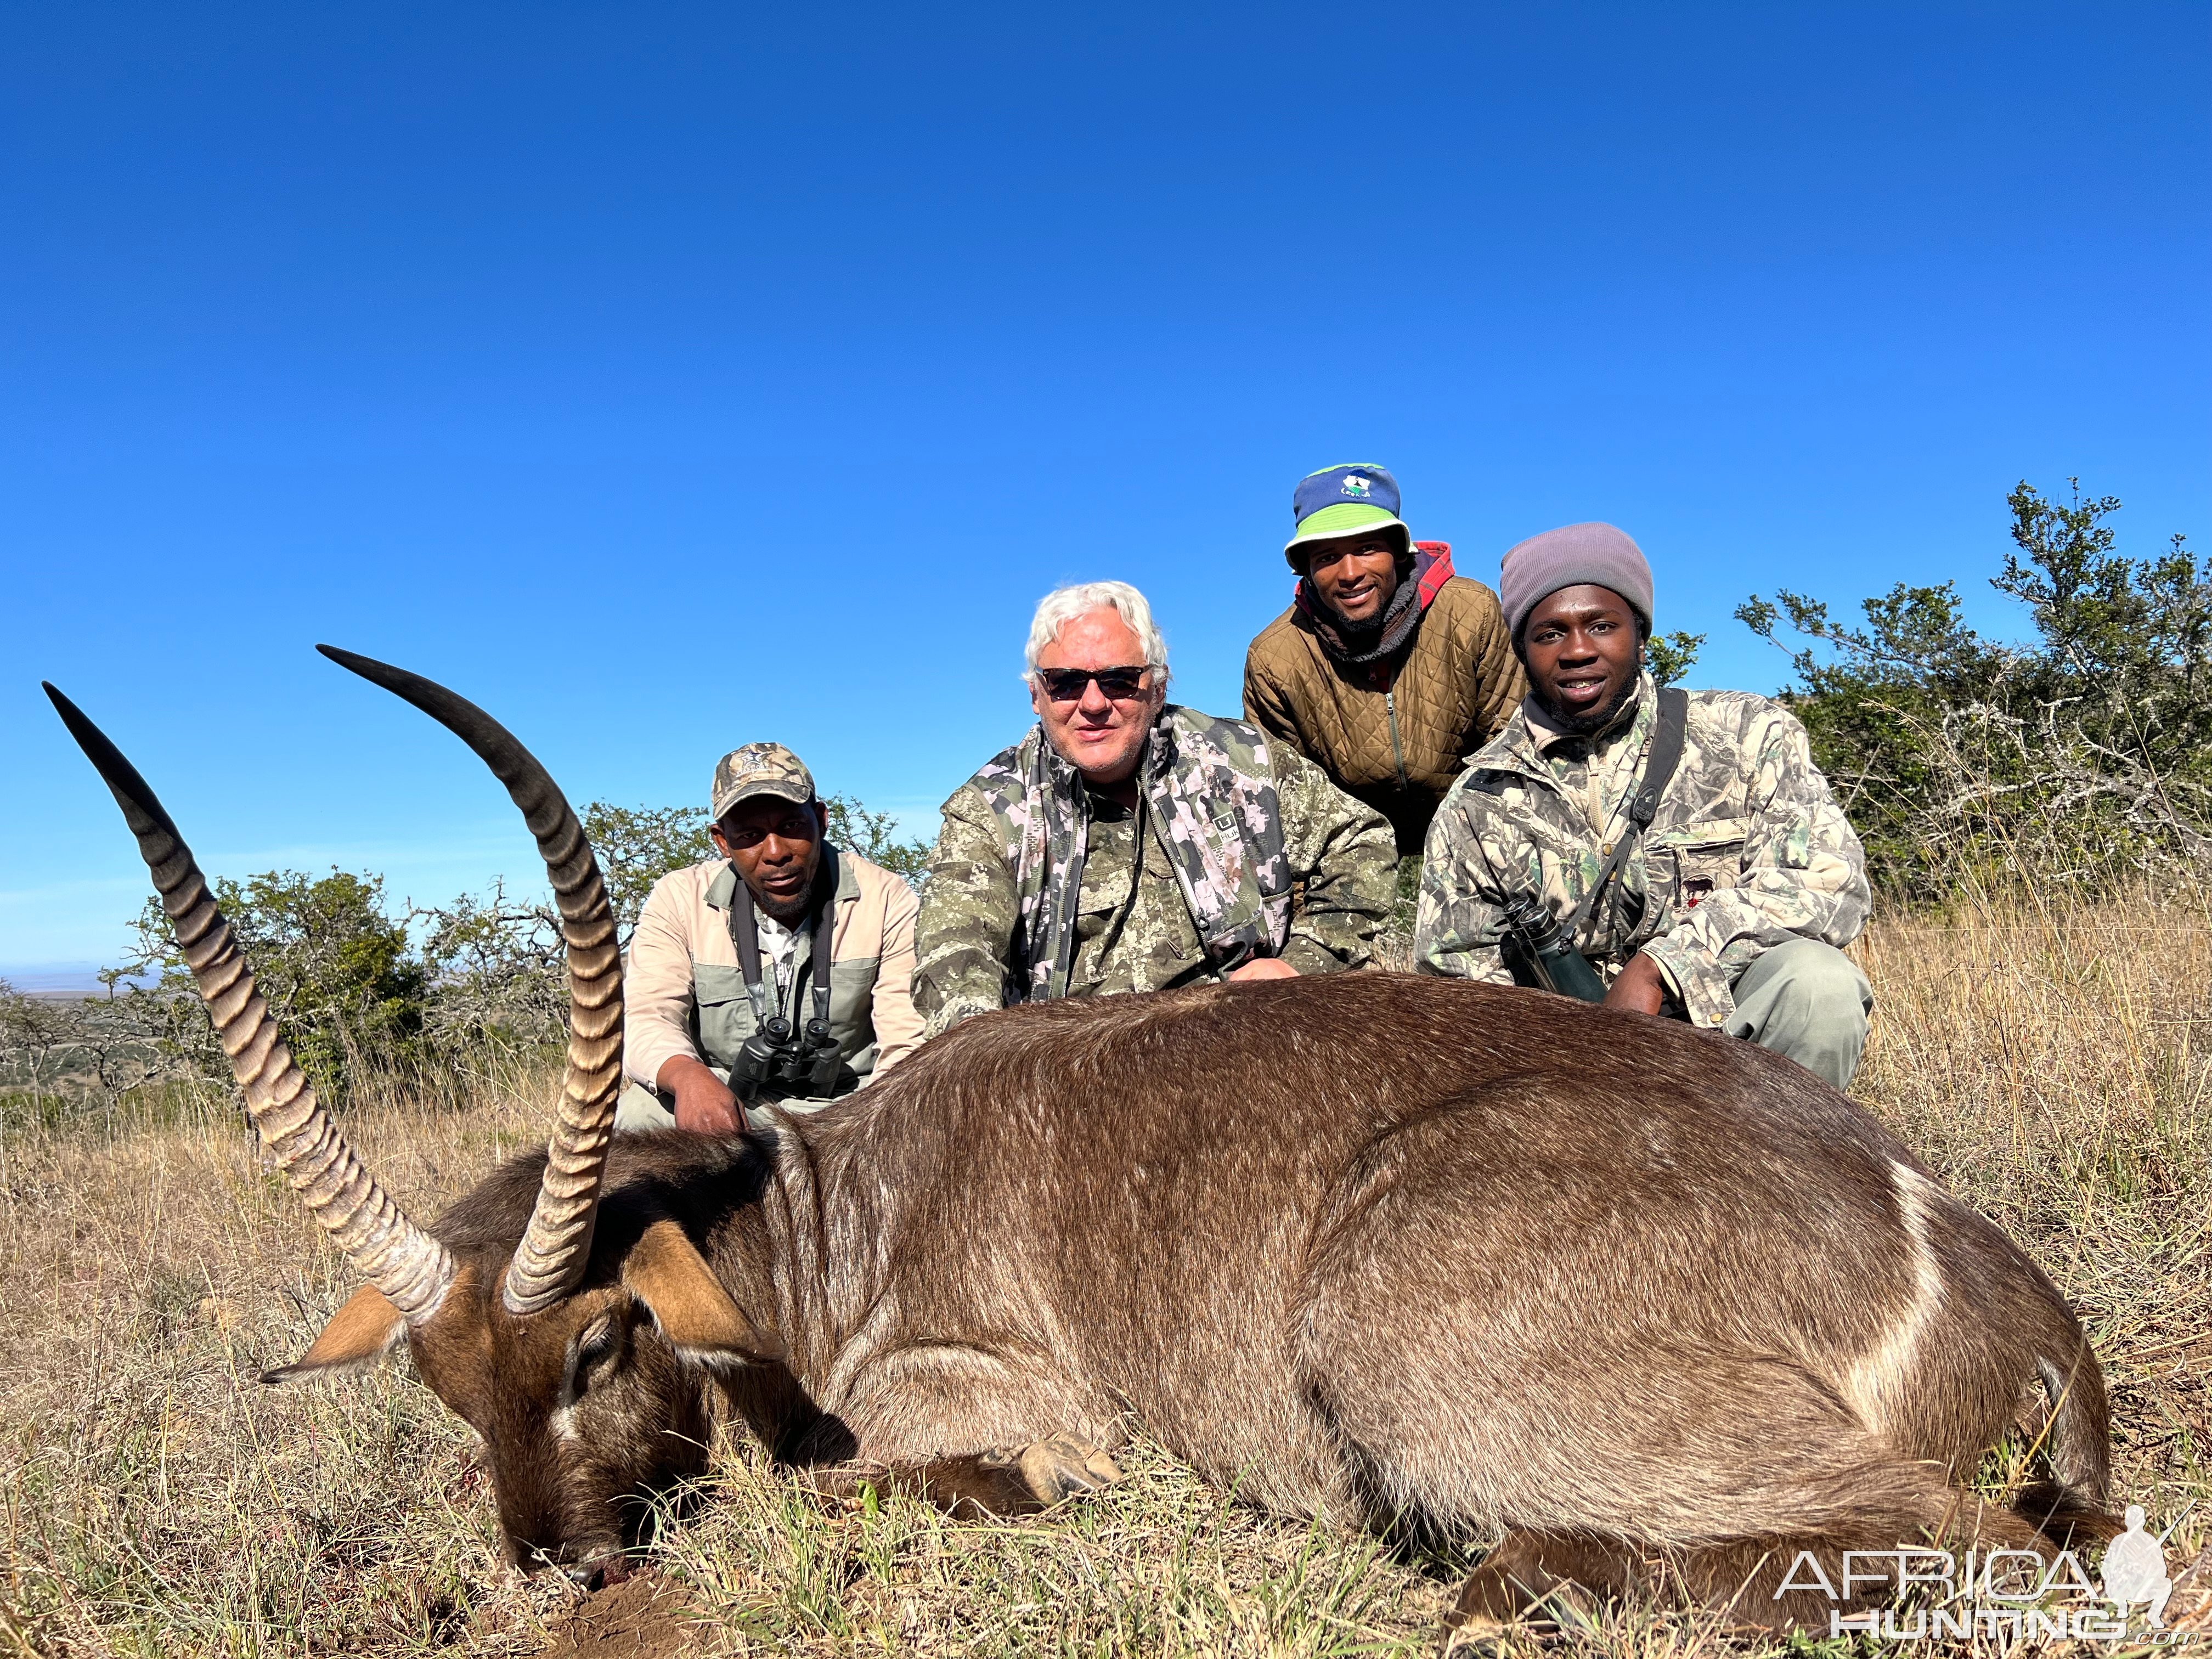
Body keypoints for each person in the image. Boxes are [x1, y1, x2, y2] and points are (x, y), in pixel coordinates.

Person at [1413, 522, 1875, 1088]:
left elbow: (1832, 886)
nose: (1578, 650)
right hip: (1565, 1080)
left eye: (1601, 626)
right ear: (1521, 651)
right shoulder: (1477, 804)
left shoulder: (1750, 734)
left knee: (1818, 986)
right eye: (1550, 634)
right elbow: (1458, 992)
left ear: (1640, 629)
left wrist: (1661, 968)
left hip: (1724, 1044)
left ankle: (1784, 1172)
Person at [913, 580, 1397, 1037]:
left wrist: (1303, 965)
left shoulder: (1242, 760)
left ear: (1159, 688)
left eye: (1120, 680)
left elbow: (1363, 843)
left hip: (1245, 1039)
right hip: (1069, 1067)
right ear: (1036, 696)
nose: (1094, 703)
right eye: (1065, 683)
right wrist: (986, 1061)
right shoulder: (988, 810)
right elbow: (955, 953)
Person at [618, 742, 923, 1133]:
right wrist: (688, 1078)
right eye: (750, 835)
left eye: (792, 826)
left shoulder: (885, 896)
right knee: (639, 1115)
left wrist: (878, 1125)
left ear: (821, 819)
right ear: (722, 841)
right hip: (728, 1104)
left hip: (852, 1110)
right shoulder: (679, 898)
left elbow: (907, 1042)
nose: (776, 852)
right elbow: (647, 1017)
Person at [1243, 463, 1523, 855]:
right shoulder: (1276, 657)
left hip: (1478, 827)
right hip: (1352, 847)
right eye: (1327, 557)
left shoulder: (1469, 611)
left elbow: (1510, 748)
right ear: (1306, 568)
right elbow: (1284, 800)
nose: (1350, 573)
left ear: (1397, 551)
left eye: (1367, 548)